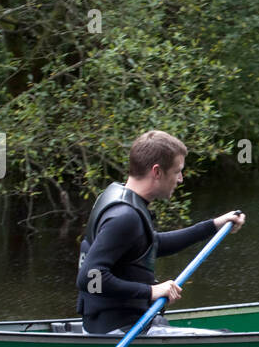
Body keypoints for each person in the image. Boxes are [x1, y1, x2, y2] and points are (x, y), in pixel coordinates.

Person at [76, 130, 245, 334]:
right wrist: (151, 291)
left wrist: (213, 225)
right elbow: (90, 278)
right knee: (224, 337)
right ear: (157, 172)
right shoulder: (125, 217)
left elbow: (151, 244)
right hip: (121, 331)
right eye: (177, 171)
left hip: (123, 324)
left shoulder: (119, 197)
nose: (181, 179)